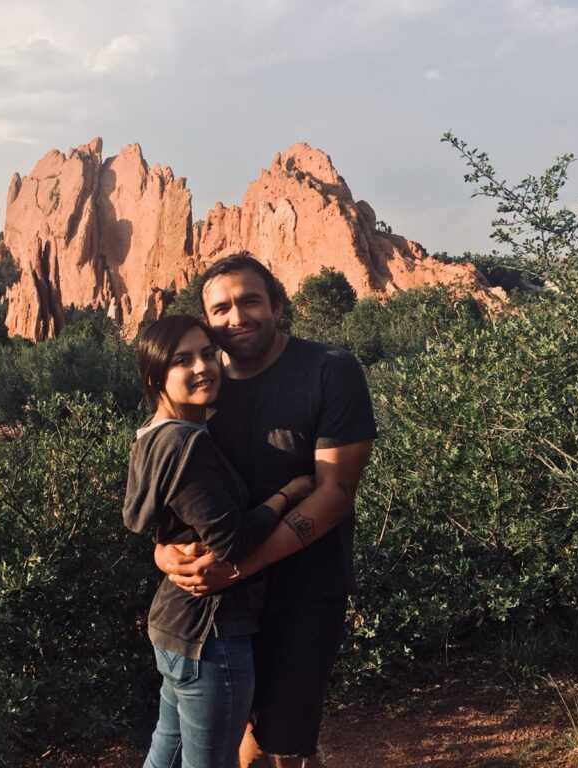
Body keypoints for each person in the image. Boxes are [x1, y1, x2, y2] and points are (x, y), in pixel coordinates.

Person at [154, 254, 377, 768]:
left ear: (277, 303)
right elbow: (170, 479)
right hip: (218, 604)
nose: (237, 316)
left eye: (250, 300)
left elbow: (336, 493)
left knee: (282, 745)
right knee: (222, 739)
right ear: (205, 320)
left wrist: (238, 565)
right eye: (221, 308)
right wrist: (164, 554)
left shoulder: (329, 369)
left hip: (304, 590)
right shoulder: (203, 382)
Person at [123, 314, 316, 768]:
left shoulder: (152, 437)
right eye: (182, 360)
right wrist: (288, 494)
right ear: (157, 377)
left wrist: (161, 551)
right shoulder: (188, 449)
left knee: (163, 757)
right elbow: (234, 541)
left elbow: (154, 522)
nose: (202, 367)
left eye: (208, 354)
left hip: (174, 628)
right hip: (211, 634)